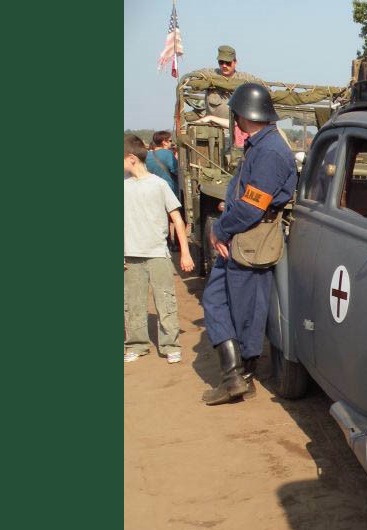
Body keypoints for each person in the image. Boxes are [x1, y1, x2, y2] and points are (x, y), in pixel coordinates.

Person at [201, 83, 297, 405]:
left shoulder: (269, 150)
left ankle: (241, 378)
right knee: (217, 300)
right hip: (242, 233)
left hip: (250, 237)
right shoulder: (260, 145)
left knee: (246, 311)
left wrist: (221, 230)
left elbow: (254, 205)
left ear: (243, 115)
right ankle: (233, 377)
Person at [124, 135, 194, 364]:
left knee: (166, 301)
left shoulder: (159, 185)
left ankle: (170, 344)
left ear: (132, 158)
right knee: (132, 303)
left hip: (157, 255)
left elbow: (177, 218)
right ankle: (136, 344)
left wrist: (185, 252)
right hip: (130, 256)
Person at [197, 45, 264, 150]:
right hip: (213, 133)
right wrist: (211, 82)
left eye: (228, 63)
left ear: (235, 62)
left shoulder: (245, 79)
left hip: (237, 134)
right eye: (221, 62)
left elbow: (263, 87)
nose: (224, 66)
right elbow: (192, 78)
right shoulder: (209, 74)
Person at [146, 131, 180, 197]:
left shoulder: (147, 155)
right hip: (169, 190)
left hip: (153, 190)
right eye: (170, 140)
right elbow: (177, 171)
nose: (171, 143)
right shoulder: (168, 153)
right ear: (164, 142)